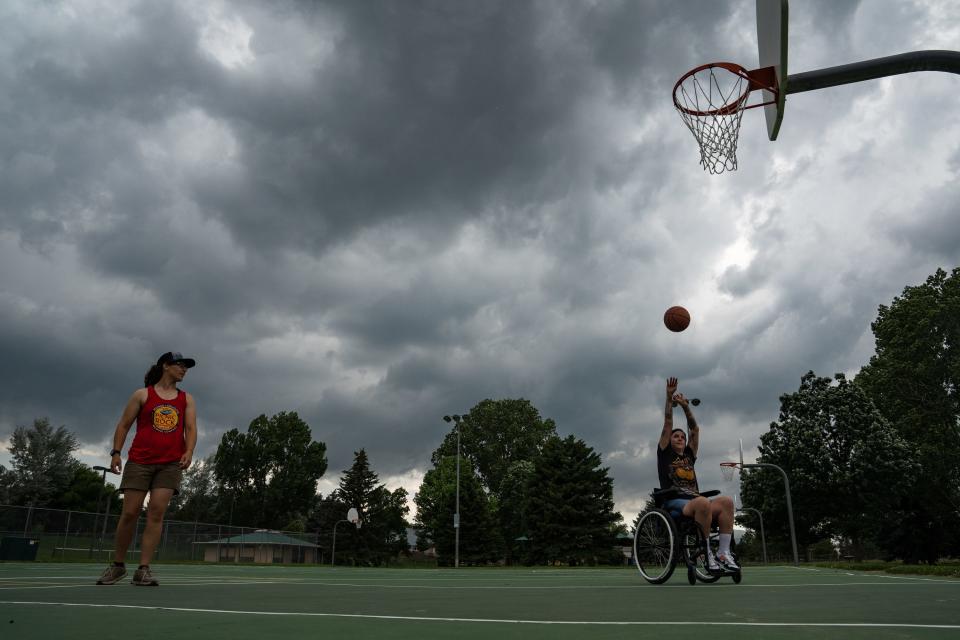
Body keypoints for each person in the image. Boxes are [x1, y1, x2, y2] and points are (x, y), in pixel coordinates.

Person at [96, 351, 197, 586]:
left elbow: (190, 429)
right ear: (165, 366)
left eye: (186, 367)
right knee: (130, 512)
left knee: (156, 513)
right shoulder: (142, 395)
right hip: (140, 461)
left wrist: (189, 451)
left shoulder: (187, 399)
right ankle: (118, 566)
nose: (184, 370)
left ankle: (143, 569)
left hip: (170, 464)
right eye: (179, 365)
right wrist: (116, 452)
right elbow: (123, 425)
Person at [657, 376, 738, 571]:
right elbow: (668, 421)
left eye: (682, 437)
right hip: (675, 501)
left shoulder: (689, 455)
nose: (680, 438)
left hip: (696, 502)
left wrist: (686, 407)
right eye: (676, 436)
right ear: (670, 440)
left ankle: (723, 553)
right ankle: (706, 553)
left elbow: (695, 429)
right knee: (702, 501)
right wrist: (669, 397)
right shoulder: (664, 453)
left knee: (726, 501)